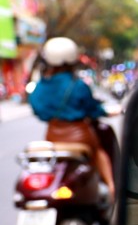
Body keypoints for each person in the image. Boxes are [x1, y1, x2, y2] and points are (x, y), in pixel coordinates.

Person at [28, 37, 116, 199]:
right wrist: (102, 112)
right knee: (99, 153)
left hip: (52, 137)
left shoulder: (40, 87)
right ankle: (112, 188)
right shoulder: (78, 85)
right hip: (81, 136)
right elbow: (93, 109)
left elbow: (38, 110)